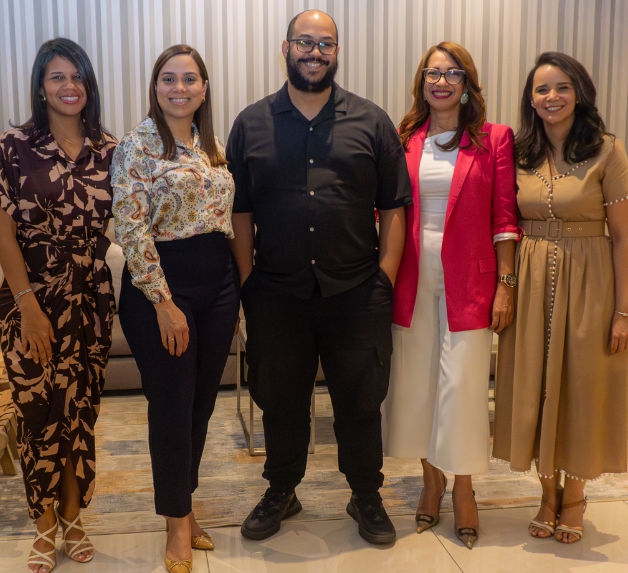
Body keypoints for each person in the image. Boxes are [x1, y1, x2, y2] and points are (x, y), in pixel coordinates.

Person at [227, 10, 411, 545]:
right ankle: (281, 490)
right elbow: (240, 212)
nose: (314, 52)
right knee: (280, 400)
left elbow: (393, 208)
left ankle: (366, 495)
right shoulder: (251, 124)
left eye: (325, 43)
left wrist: (383, 281)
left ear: (337, 52)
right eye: (305, 42)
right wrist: (248, 284)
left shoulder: (372, 122)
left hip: (356, 291)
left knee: (361, 401)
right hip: (276, 292)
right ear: (285, 48)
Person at [0, 38, 116, 573]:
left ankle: (73, 518)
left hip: (92, 301)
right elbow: (3, 235)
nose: (68, 86)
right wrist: (29, 306)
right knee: (38, 416)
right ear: (40, 87)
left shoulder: (109, 150)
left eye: (77, 76)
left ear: (89, 85)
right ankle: (43, 525)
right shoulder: (11, 148)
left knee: (80, 413)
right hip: (30, 299)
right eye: (57, 77)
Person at [492, 51, 628, 544]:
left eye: (562, 87)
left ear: (579, 93)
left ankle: (574, 495)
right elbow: (503, 222)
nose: (551, 97)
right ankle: (546, 493)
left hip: (590, 279)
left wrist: (624, 311)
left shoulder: (607, 150)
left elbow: (624, 238)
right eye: (542, 89)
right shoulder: (519, 152)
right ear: (530, 100)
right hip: (530, 279)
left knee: (581, 384)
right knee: (534, 385)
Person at [382, 42, 518, 550]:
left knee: (461, 386)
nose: (441, 81)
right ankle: (430, 480)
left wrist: (506, 284)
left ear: (467, 84)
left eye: (452, 73)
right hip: (412, 276)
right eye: (432, 73)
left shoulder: (493, 139)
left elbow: (504, 217)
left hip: (471, 280)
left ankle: (463, 487)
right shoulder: (403, 138)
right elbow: (386, 210)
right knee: (415, 383)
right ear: (421, 82)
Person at [111, 44, 239, 573]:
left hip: (218, 282)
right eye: (169, 78)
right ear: (155, 87)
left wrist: (236, 288)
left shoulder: (212, 144)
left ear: (204, 89)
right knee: (171, 405)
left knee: (201, 404)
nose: (179, 88)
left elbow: (226, 219)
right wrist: (164, 303)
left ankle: (183, 506)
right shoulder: (136, 145)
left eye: (189, 79)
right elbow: (131, 228)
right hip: (161, 288)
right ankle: (176, 525)